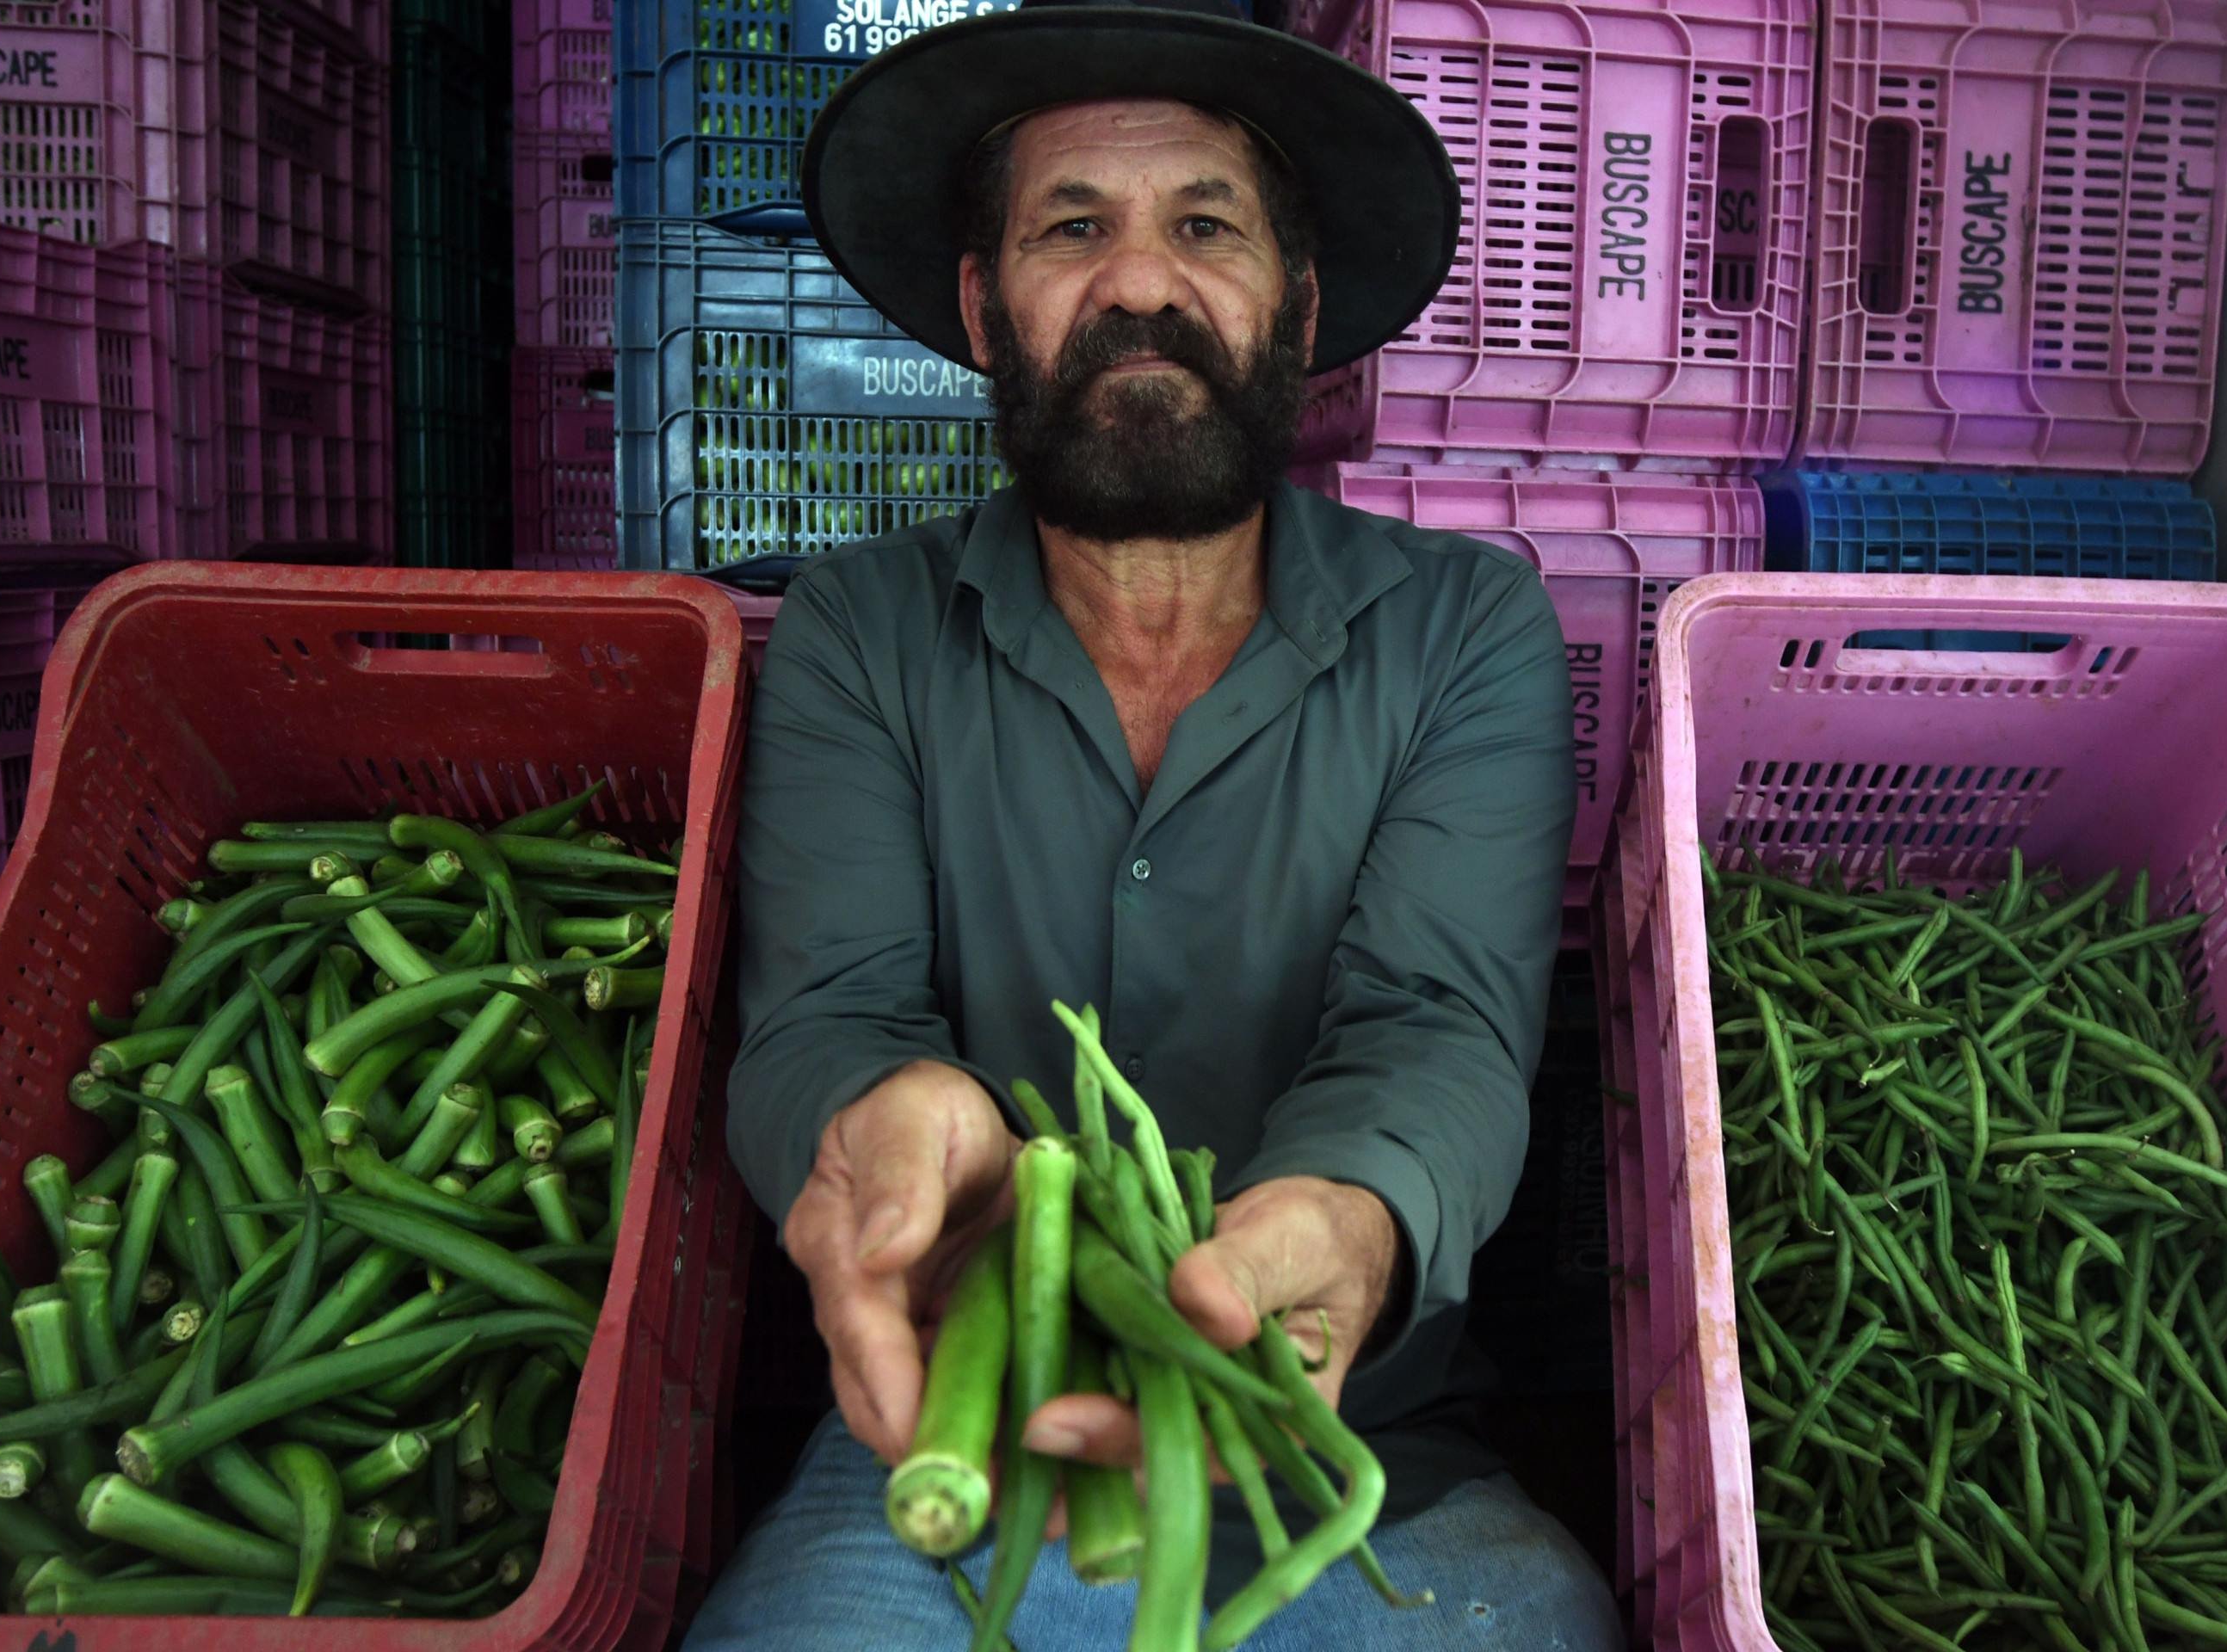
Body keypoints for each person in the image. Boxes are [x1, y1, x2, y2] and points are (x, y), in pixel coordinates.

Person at [690, 0, 1622, 1643]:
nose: (1139, 285)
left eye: (1205, 225)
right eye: (1072, 228)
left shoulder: (1466, 630)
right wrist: (892, 1118)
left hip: (1361, 1445)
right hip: (963, 1417)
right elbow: (825, 1012)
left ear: (1298, 306)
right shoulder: (860, 629)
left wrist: (1343, 1213)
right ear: (986, 309)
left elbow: (1441, 1029)